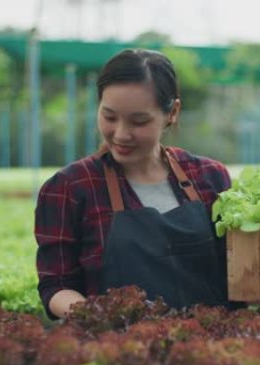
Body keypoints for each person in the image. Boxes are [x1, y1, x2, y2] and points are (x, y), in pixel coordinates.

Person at [34, 48, 235, 320]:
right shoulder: (71, 187)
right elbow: (56, 285)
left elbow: (236, 273)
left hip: (210, 351)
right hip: (117, 353)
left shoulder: (210, 177)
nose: (121, 134)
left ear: (172, 112)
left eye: (139, 121)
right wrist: (95, 317)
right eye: (109, 117)